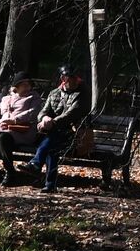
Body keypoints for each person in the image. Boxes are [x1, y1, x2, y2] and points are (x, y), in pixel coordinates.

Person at [18, 64, 91, 193]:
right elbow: (42, 112)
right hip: (52, 134)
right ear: (63, 78)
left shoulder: (83, 94)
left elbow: (71, 115)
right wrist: (44, 118)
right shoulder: (54, 93)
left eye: (77, 78)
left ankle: (36, 165)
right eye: (72, 78)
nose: (76, 81)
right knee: (52, 147)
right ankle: (49, 184)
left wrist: (52, 122)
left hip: (75, 135)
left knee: (53, 141)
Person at [0, 73, 40, 186]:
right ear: (16, 86)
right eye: (24, 85)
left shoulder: (33, 97)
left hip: (23, 131)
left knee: (4, 138)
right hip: (3, 128)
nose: (27, 88)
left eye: (29, 85)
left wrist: (14, 120)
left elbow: (33, 113)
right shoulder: (6, 98)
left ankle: (10, 173)